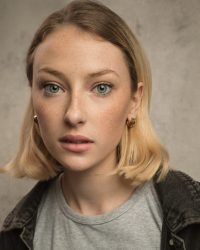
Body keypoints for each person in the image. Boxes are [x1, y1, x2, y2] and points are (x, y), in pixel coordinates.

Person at [0, 0, 200, 249]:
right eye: (53, 87)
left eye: (101, 87)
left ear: (134, 101)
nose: (73, 115)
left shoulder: (193, 215)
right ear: (34, 99)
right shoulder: (14, 237)